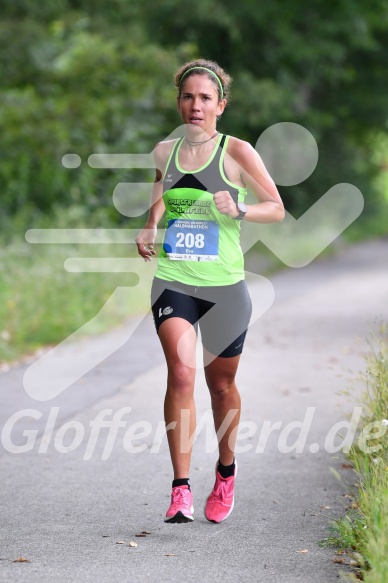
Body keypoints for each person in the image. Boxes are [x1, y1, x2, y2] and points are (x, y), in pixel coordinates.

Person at [136, 58, 284, 524]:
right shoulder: (165, 151)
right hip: (174, 279)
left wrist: (239, 207)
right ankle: (180, 489)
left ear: (220, 104)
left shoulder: (238, 152)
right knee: (180, 374)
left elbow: (276, 208)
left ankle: (225, 471)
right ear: (178, 101)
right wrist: (151, 221)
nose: (195, 106)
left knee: (220, 385)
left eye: (205, 98)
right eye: (187, 96)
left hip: (225, 287)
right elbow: (164, 185)